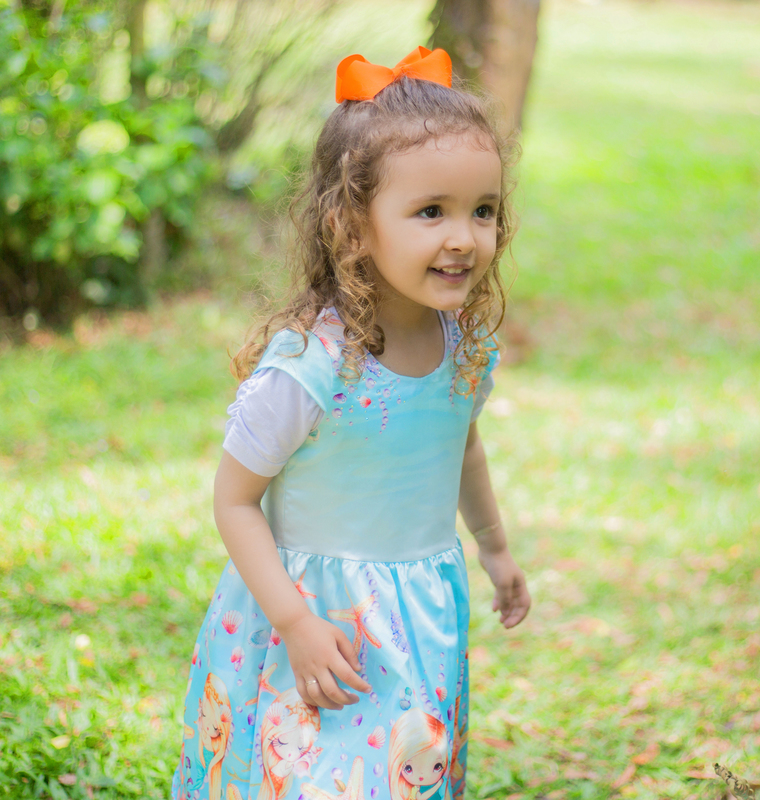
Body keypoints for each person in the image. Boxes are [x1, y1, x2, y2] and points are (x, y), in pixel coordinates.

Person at [171, 46, 531, 800]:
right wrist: (295, 621)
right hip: (309, 624)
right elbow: (234, 500)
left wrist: (494, 549)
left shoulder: (464, 345)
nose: (464, 236)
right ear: (353, 225)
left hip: (420, 614)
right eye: (431, 211)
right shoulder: (311, 364)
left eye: (483, 210)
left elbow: (462, 448)